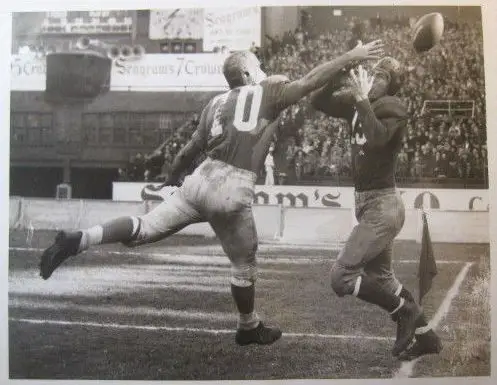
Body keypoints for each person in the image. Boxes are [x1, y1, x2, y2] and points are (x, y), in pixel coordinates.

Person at [39, 42, 384, 346]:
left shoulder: (214, 104)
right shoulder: (268, 90)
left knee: (143, 228)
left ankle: (80, 239)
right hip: (232, 186)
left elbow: (186, 153)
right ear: (248, 73)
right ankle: (248, 326)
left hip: (199, 178)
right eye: (258, 65)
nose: (264, 69)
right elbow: (311, 81)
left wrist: (171, 180)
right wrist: (350, 56)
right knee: (244, 264)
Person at [310, 57, 442, 360]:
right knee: (383, 281)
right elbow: (317, 100)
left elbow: (379, 138)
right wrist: (341, 69)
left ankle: (403, 311)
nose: (372, 79)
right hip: (368, 204)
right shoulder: (361, 102)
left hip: (384, 205)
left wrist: (359, 99)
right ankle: (426, 338)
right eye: (373, 73)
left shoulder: (392, 105)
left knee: (341, 277)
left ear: (392, 85)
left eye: (381, 76)